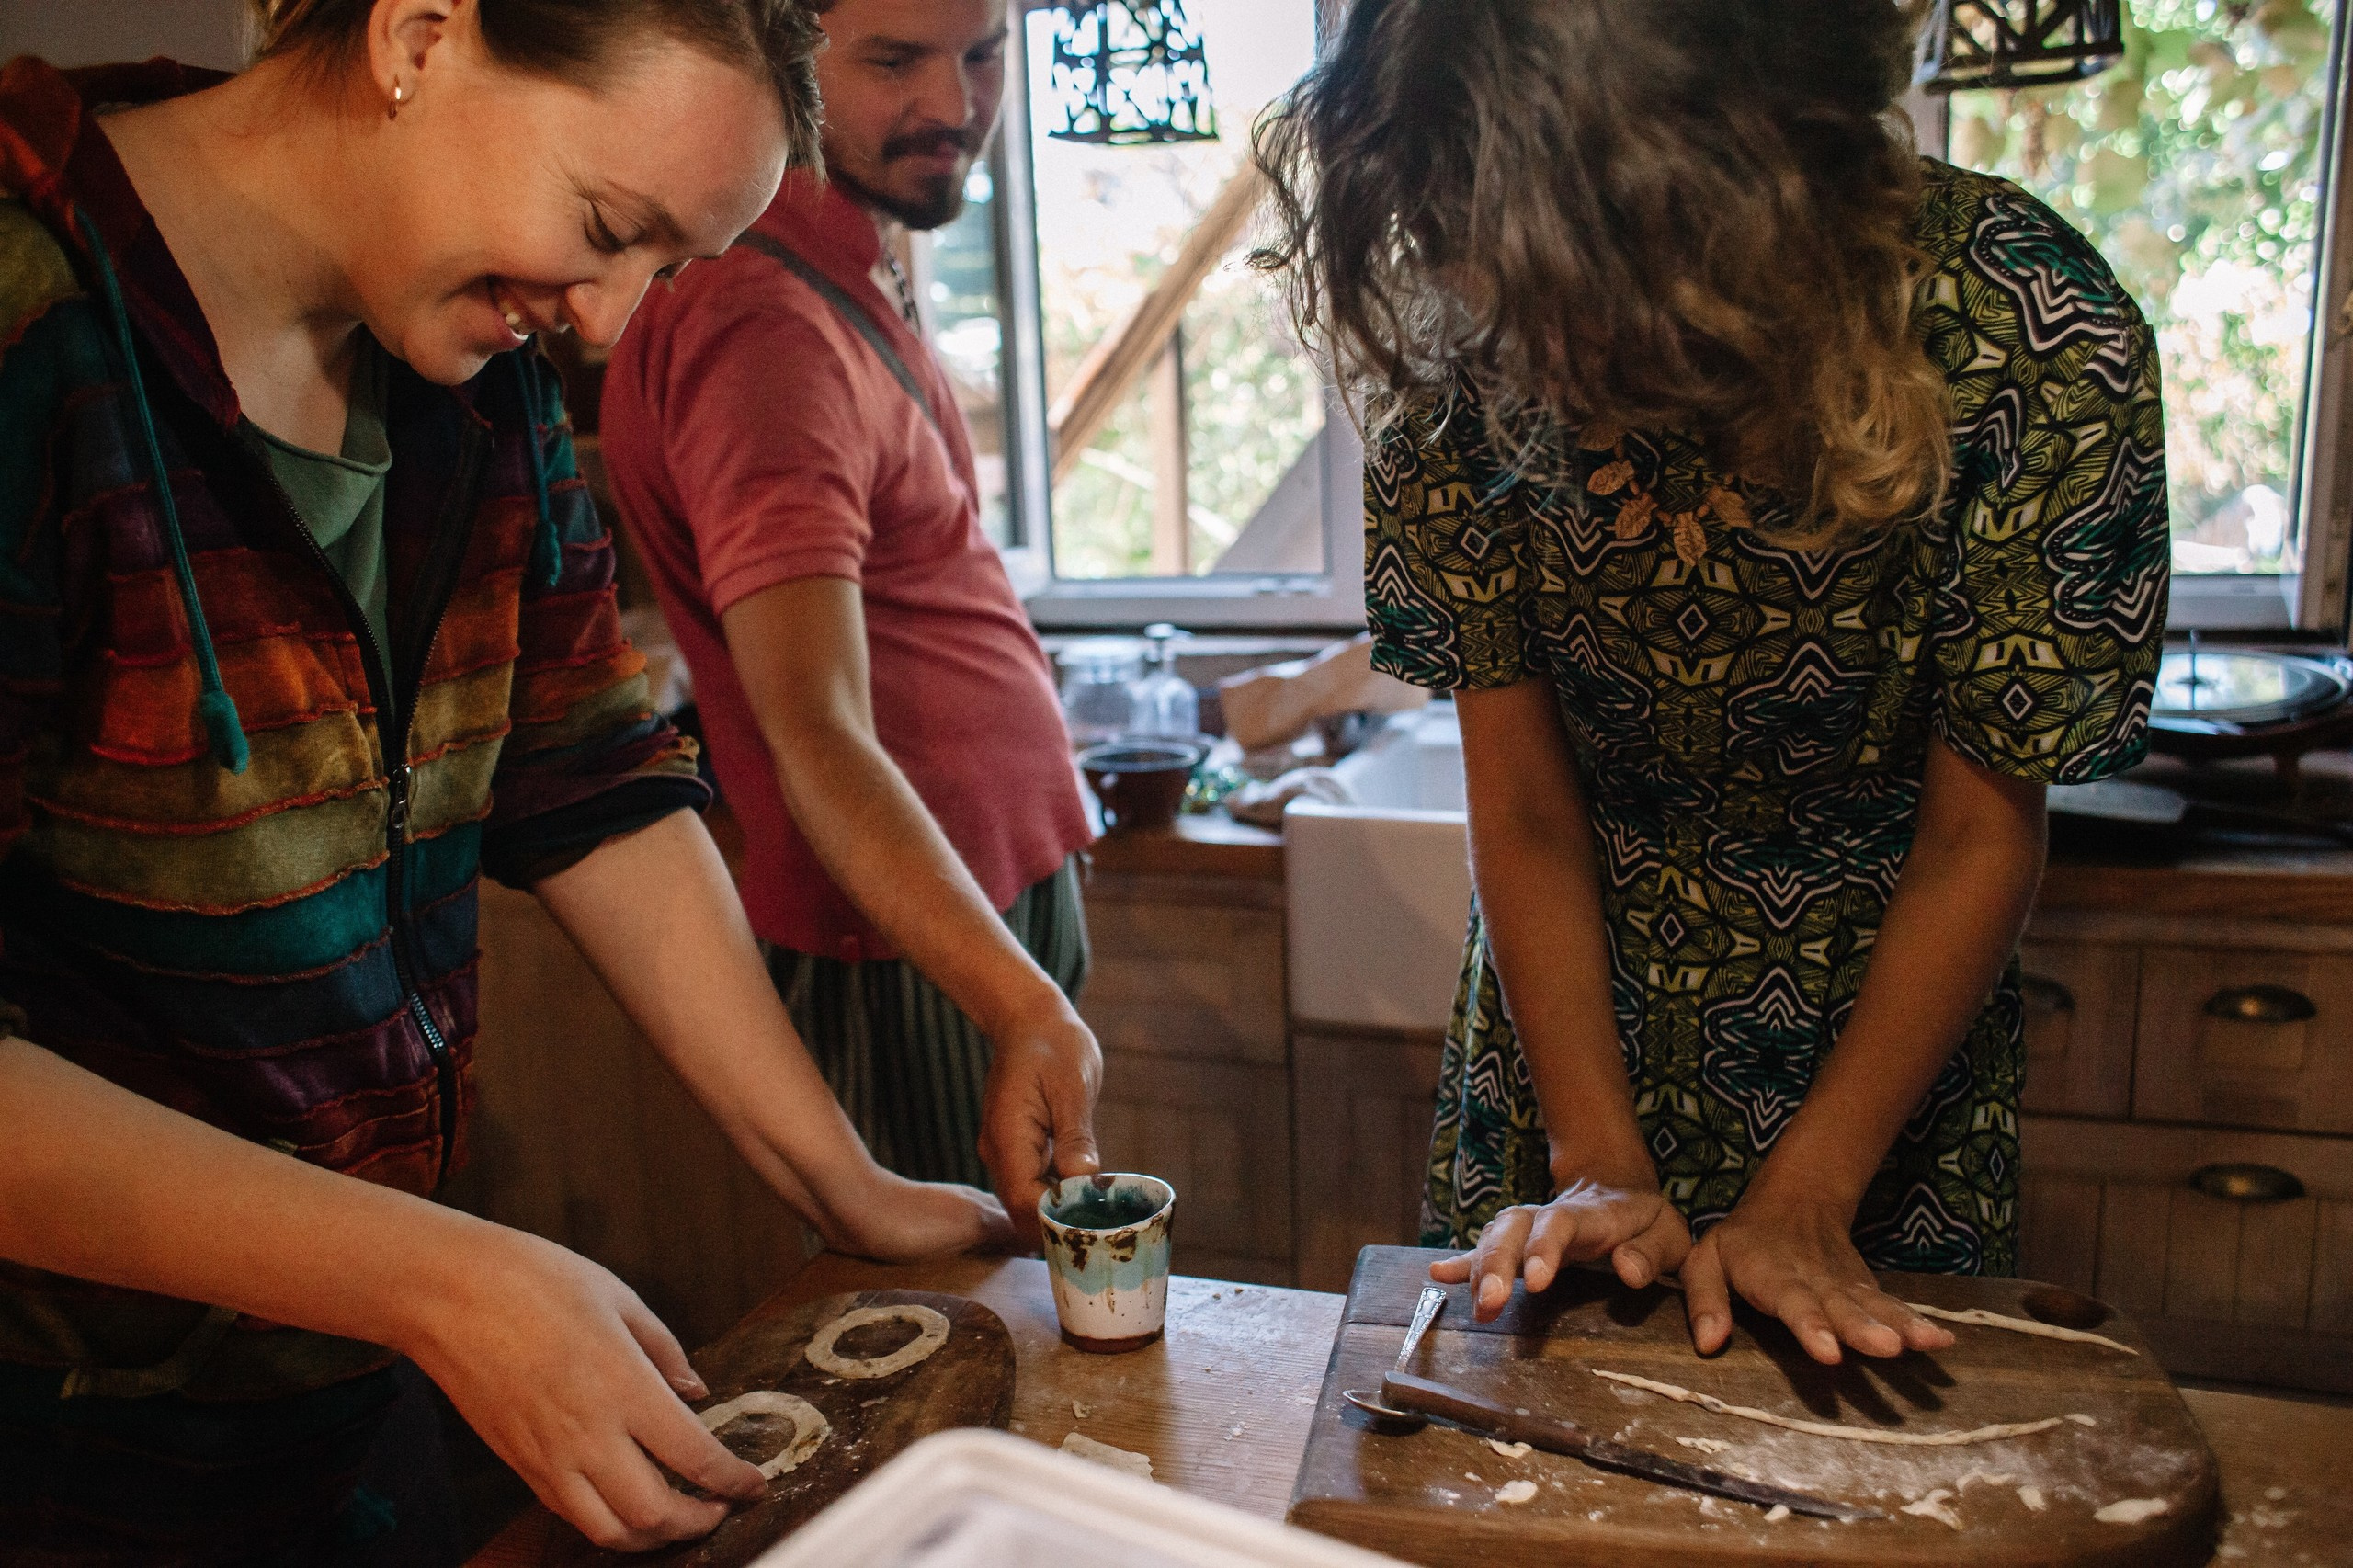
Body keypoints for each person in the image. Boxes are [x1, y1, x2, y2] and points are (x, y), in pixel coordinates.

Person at [0, 2, 1012, 1560]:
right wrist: (441, 1273)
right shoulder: (29, 330)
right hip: (62, 1442)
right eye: (607, 227)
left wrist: (844, 1176)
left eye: (662, 267)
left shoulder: (473, 371)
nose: (607, 324)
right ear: (418, 35)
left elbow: (589, 783)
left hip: (340, 1397)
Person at [1254, 0, 2167, 1363]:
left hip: (1883, 1066)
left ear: (1743, 193)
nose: (1543, 364)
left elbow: (1980, 831)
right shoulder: (1463, 349)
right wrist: (1595, 1165)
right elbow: (1525, 803)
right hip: (1565, 1047)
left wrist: (1810, 1189)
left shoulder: (2031, 332)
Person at [600, 0, 1102, 1224]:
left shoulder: (837, 263)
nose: (955, 106)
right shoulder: (762, 321)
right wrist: (1019, 1002)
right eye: (893, 62)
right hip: (905, 946)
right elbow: (812, 727)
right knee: (966, 1332)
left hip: (965, 907)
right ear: (781, 55)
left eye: (982, 55)